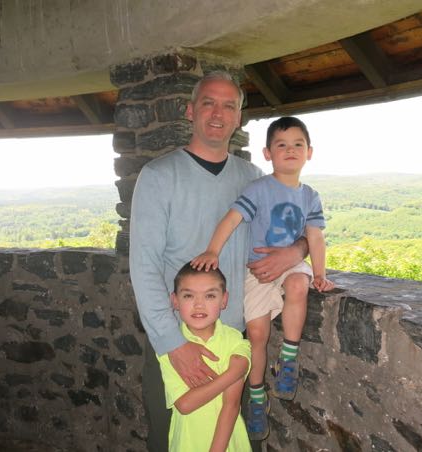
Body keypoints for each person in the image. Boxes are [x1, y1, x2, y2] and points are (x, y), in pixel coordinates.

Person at [129, 71, 308, 451]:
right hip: (176, 338)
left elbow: (296, 231)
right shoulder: (159, 176)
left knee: (235, 440)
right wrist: (172, 343)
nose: (218, 112)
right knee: (171, 438)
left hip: (232, 341)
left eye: (229, 105)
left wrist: (296, 251)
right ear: (190, 111)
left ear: (239, 117)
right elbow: (143, 265)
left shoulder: (254, 179)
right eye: (208, 102)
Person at [191, 116, 334, 440]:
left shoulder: (310, 195)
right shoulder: (258, 189)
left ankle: (289, 358)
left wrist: (321, 274)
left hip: (291, 267)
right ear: (267, 153)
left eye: (298, 144)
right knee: (256, 332)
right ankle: (257, 396)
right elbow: (231, 219)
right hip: (257, 268)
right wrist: (212, 251)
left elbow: (316, 237)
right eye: (281, 145)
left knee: (299, 284)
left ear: (309, 152)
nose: (290, 150)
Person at [158, 263, 251, 452]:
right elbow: (185, 404)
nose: (199, 304)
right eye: (188, 295)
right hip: (187, 443)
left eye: (210, 295)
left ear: (224, 300)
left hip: (229, 445)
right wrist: (232, 374)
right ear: (175, 301)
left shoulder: (235, 341)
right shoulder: (170, 348)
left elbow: (231, 405)